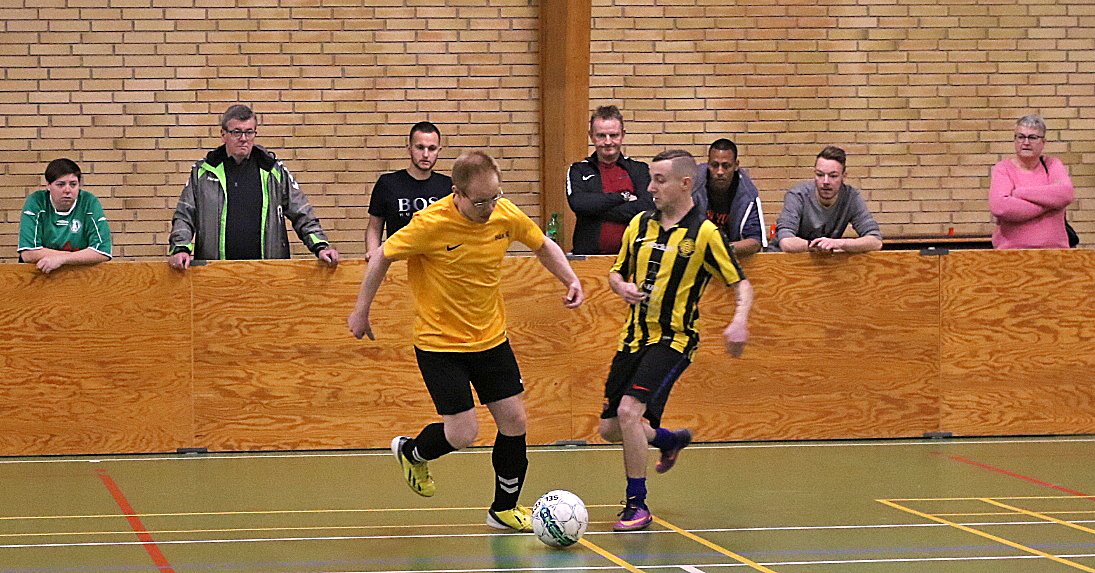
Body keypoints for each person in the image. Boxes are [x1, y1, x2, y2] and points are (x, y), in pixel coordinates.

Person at [348, 150, 584, 532]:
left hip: (491, 340)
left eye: (495, 197)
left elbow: (542, 244)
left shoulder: (503, 213)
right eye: (480, 202)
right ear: (456, 193)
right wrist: (361, 311)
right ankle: (412, 452)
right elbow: (381, 257)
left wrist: (570, 279)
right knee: (463, 433)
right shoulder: (429, 224)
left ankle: (503, 509)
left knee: (515, 421)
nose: (489, 208)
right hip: (440, 345)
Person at [600, 149, 753, 531]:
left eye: (659, 180)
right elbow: (616, 272)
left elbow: (741, 284)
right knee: (610, 429)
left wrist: (739, 321)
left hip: (674, 340)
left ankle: (637, 505)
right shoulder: (639, 224)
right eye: (650, 179)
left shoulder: (704, 234)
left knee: (629, 412)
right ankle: (667, 440)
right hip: (632, 338)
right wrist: (621, 287)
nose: (650, 188)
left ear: (685, 184)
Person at [168, 104, 339, 270]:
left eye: (249, 132)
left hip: (267, 272)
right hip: (215, 273)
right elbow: (184, 215)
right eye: (236, 132)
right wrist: (180, 248)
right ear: (223, 134)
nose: (243, 138)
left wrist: (320, 247)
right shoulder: (203, 173)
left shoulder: (273, 171)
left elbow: (302, 213)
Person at [566, 105, 654, 255]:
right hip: (589, 257)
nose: (608, 142)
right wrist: (623, 197)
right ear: (591, 136)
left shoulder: (639, 170)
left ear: (623, 135)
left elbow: (646, 208)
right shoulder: (578, 170)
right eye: (601, 136)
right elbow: (579, 203)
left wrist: (593, 210)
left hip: (633, 257)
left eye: (613, 135)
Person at [365, 121, 452, 259]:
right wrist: (373, 255)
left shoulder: (449, 186)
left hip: (437, 264)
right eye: (420, 147)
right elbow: (375, 227)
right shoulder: (387, 184)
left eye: (432, 148)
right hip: (397, 262)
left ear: (439, 151)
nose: (425, 154)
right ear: (409, 148)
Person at [773, 146, 883, 253]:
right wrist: (819, 246)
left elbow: (875, 241)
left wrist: (840, 243)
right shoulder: (797, 195)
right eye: (820, 175)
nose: (826, 181)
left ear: (843, 176)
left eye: (833, 176)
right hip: (782, 259)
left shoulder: (851, 197)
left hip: (825, 259)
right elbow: (786, 242)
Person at [989, 114, 1075, 249]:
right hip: (1011, 253)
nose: (1026, 142)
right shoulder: (1003, 168)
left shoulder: (1052, 164)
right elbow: (1000, 207)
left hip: (1055, 252)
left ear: (1043, 142)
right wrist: (1051, 203)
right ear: (1015, 140)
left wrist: (1019, 193)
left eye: (1033, 137)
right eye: (1021, 137)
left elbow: (1066, 193)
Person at [18, 158, 112, 273]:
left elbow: (103, 251)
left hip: (79, 274)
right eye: (60, 184)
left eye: (73, 184)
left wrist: (62, 259)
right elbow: (28, 253)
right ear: (48, 185)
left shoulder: (89, 202)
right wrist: (77, 257)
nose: (67, 190)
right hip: (41, 274)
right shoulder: (36, 201)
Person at [692, 138, 767, 257]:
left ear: (736, 165)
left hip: (732, 257)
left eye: (726, 166)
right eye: (714, 165)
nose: (720, 171)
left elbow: (755, 242)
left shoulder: (748, 195)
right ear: (708, 164)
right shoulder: (691, 188)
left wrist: (720, 248)